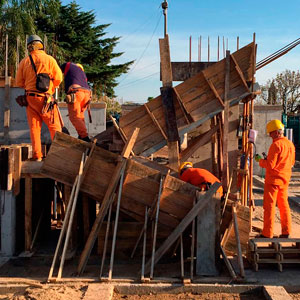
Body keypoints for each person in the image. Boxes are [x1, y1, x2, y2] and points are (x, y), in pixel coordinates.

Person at [16, 35, 63, 161]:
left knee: (34, 128)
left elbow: (19, 83)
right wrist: (52, 86)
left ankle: (37, 156)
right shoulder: (49, 59)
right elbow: (59, 78)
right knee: (55, 127)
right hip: (45, 99)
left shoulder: (24, 61)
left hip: (30, 99)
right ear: (41, 45)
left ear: (29, 47)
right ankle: (59, 156)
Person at [255, 119, 295, 238]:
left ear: (277, 132)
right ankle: (286, 232)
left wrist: (260, 161)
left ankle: (267, 233)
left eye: (271, 133)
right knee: (284, 206)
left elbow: (270, 165)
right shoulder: (290, 144)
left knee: (269, 206)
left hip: (273, 180)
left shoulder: (276, 144)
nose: (270, 136)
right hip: (284, 179)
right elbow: (291, 162)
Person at [60, 62, 92, 142]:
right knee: (80, 117)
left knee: (74, 117)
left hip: (76, 93)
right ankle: (81, 136)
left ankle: (85, 137)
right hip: (87, 95)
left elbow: (57, 71)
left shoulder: (68, 65)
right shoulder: (83, 74)